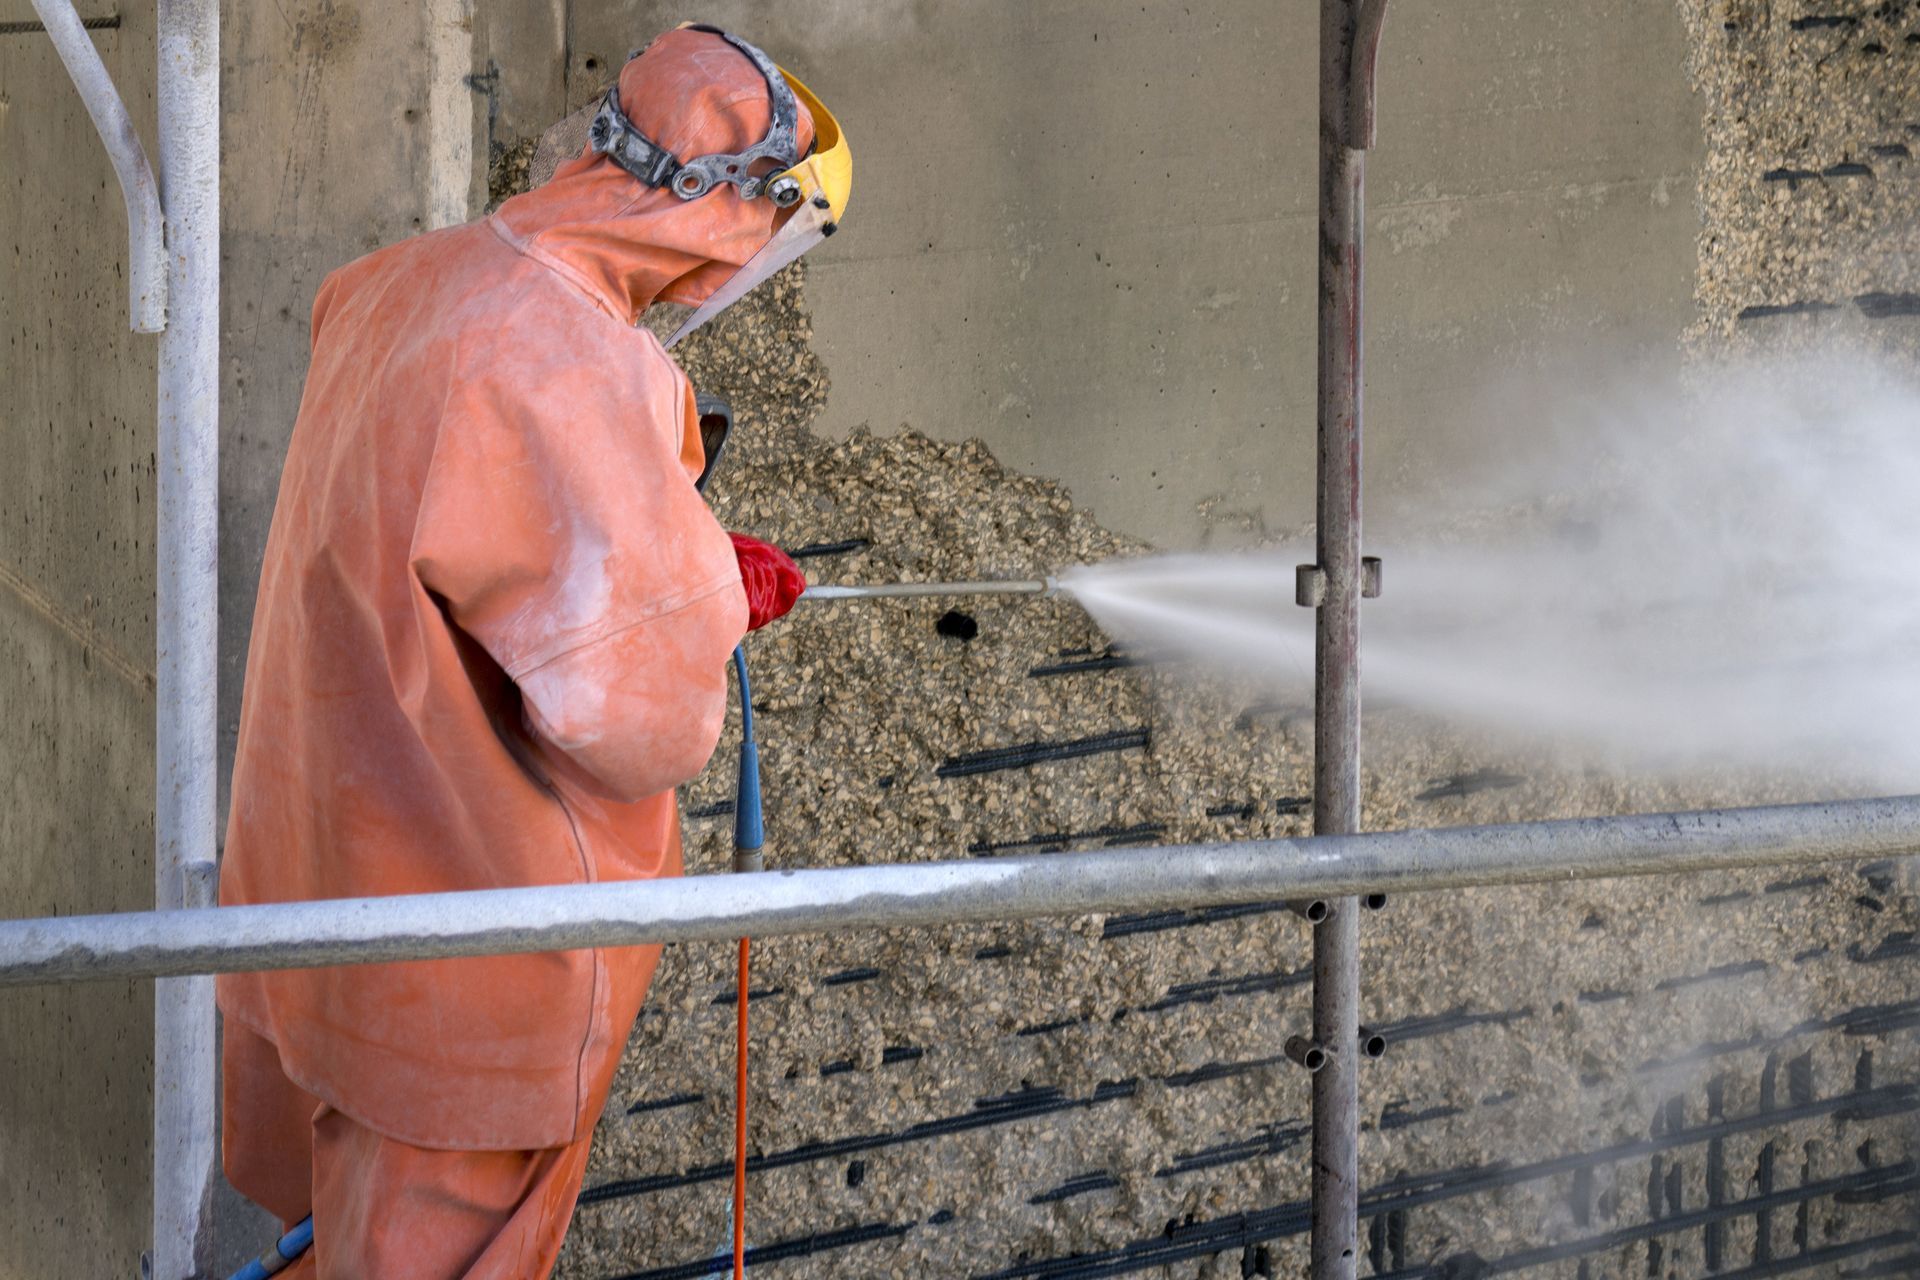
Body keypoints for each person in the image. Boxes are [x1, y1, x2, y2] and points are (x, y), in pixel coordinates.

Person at [216, 25, 846, 1277]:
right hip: (460, 964)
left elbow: (444, 541)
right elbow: (640, 712)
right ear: (734, 204)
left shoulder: (397, 279)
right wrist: (709, 592)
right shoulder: (573, 357)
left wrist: (680, 553)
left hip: (311, 899)